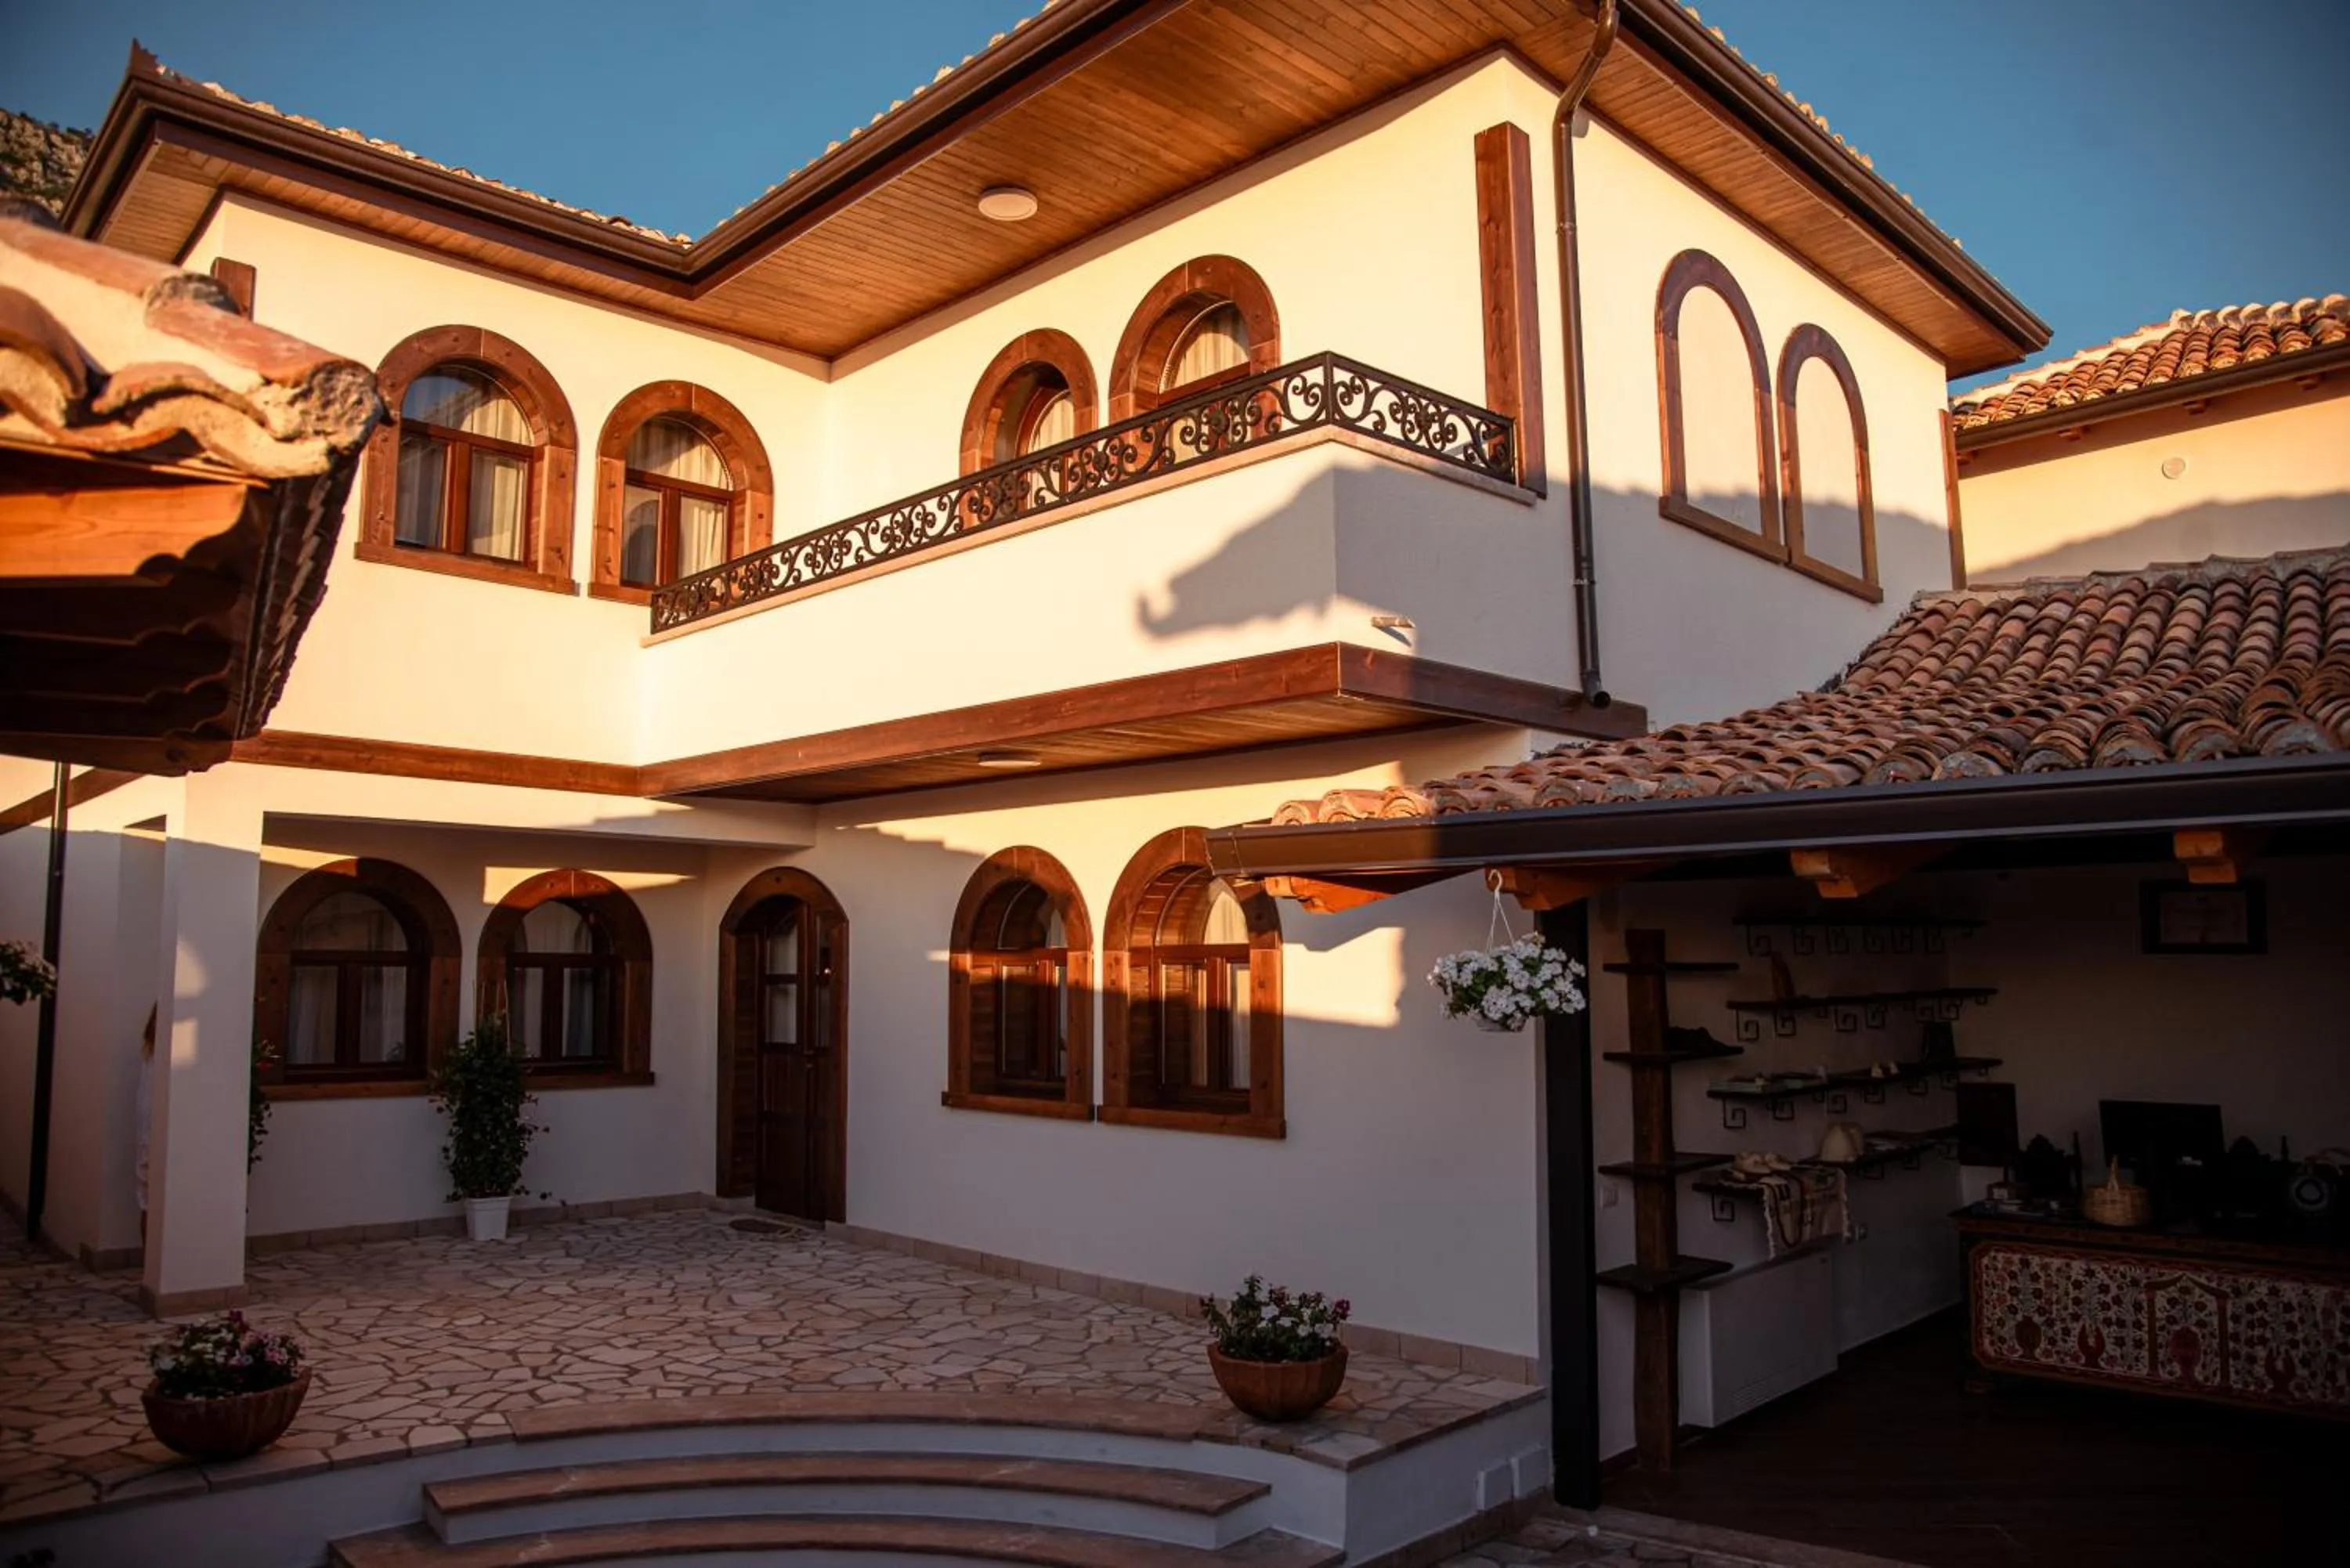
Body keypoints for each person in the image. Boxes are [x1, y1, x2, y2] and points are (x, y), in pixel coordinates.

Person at [135, 1005, 155, 1230]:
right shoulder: (156, 1058)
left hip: (147, 1136)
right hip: (153, 1137)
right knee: (151, 1203)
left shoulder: (150, 1055)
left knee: (148, 1202)